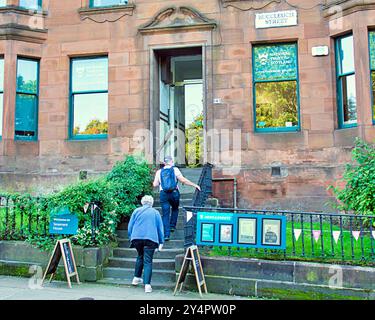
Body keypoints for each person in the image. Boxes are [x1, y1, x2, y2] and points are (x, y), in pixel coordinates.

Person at [153, 156, 201, 241]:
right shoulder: (175, 170)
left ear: (164, 163)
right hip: (174, 193)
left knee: (165, 214)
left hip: (163, 194)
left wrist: (161, 183)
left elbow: (155, 184)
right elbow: (183, 180)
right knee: (175, 209)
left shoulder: (159, 172)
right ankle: (172, 226)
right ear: (171, 162)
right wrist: (194, 185)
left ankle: (166, 235)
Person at [127, 195, 164, 293]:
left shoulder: (136, 211)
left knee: (140, 256)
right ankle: (147, 285)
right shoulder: (155, 212)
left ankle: (136, 278)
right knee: (148, 260)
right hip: (150, 239)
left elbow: (130, 226)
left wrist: (131, 237)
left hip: (136, 238)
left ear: (142, 202)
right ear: (151, 203)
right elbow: (160, 228)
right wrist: (161, 242)